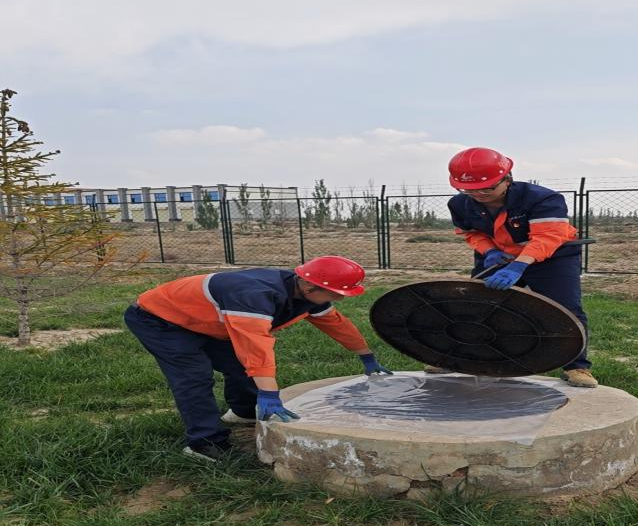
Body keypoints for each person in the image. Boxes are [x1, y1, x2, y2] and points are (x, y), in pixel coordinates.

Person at [124, 255, 392, 462]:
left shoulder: (308, 294)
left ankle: (242, 412)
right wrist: (269, 393)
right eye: (336, 294)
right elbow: (255, 345)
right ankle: (204, 444)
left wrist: (366, 355)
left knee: (237, 365)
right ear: (311, 286)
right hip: (160, 319)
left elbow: (336, 324)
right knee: (194, 376)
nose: (339, 299)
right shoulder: (254, 295)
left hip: (204, 320)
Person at [446, 147, 597, 387]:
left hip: (552, 258)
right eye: (469, 189)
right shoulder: (459, 204)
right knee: (476, 305)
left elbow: (547, 237)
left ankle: (576, 367)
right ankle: (460, 357)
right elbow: (471, 233)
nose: (478, 194)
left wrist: (518, 266)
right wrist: (490, 251)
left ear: (506, 179)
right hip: (500, 257)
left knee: (566, 308)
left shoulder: (542, 199)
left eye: (487, 188)